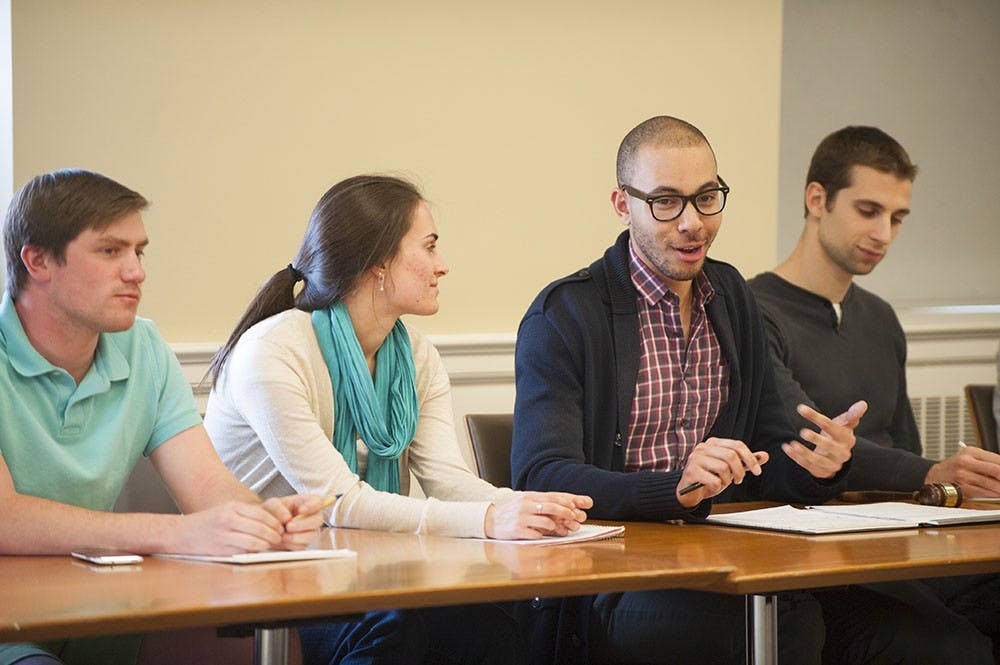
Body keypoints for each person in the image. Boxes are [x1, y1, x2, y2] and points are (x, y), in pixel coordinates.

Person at [511, 115, 990, 664]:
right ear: (624, 205)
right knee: (785, 625)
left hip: (741, 560)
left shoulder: (731, 295)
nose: (693, 222)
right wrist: (675, 487)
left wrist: (820, 465)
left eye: (707, 197)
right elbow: (540, 475)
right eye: (666, 201)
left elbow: (769, 452)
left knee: (939, 642)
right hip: (616, 579)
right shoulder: (566, 314)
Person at [204, 174, 592, 665]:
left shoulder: (415, 354)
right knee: (395, 629)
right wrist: (492, 518)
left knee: (492, 627)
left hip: (361, 571)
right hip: (260, 574)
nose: (443, 265)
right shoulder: (273, 351)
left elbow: (445, 479)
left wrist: (525, 507)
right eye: (429, 248)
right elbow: (338, 503)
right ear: (378, 264)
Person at [0, 170, 326, 665]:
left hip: (107, 615)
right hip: (10, 626)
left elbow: (206, 486)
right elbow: (6, 519)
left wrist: (259, 521)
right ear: (38, 260)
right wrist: (177, 533)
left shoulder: (145, 347)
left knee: (252, 650)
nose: (136, 271)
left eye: (139, 251)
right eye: (111, 251)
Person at [748, 125, 998, 663]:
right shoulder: (755, 312)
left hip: (904, 545)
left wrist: (952, 489)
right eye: (868, 211)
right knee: (948, 647)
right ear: (817, 199)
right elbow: (810, 442)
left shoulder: (880, 319)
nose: (884, 233)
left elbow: (904, 449)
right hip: (821, 561)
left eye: (898, 218)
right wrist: (931, 472)